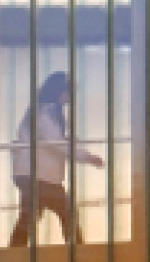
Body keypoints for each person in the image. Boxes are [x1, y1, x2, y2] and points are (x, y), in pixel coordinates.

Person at [9, 71, 103, 247]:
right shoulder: (46, 113)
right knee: (66, 211)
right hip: (39, 176)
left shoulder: (40, 111)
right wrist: (87, 157)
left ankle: (12, 255)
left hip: (31, 174)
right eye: (69, 92)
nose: (71, 96)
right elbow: (56, 144)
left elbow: (54, 141)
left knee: (29, 217)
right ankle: (78, 252)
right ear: (61, 92)